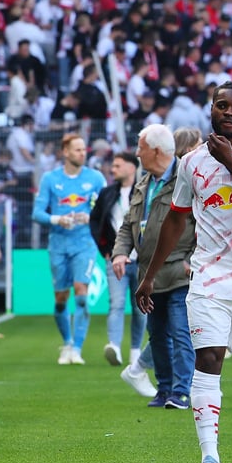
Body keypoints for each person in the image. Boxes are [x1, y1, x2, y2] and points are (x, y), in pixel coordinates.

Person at [136, 82, 232, 463]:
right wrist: (149, 275)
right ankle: (210, 457)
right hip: (209, 278)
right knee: (208, 359)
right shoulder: (192, 163)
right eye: (222, 105)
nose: (228, 112)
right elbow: (176, 218)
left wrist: (231, 162)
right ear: (211, 109)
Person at [114, 124, 197, 409]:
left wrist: (193, 260)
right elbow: (128, 226)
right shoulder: (143, 183)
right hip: (147, 274)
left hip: (177, 271)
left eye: (141, 148)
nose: (137, 153)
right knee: (158, 333)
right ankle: (164, 390)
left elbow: (205, 224)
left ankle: (182, 391)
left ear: (157, 151)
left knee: (180, 331)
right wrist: (119, 253)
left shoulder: (186, 180)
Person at [32, 133, 107, 365]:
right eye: (77, 150)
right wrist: (57, 220)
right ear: (65, 152)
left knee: (81, 293)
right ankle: (66, 342)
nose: (82, 153)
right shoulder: (50, 179)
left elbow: (104, 208)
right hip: (58, 244)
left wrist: (90, 216)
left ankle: (77, 348)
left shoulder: (95, 178)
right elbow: (37, 213)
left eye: (84, 149)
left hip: (84, 243)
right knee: (61, 299)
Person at [90, 151, 147, 369]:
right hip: (115, 259)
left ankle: (135, 351)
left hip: (141, 260)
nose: (112, 169)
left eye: (117, 165)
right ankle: (113, 345)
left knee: (140, 308)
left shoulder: (144, 191)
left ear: (132, 168)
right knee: (116, 303)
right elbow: (95, 222)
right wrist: (104, 248)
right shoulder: (106, 193)